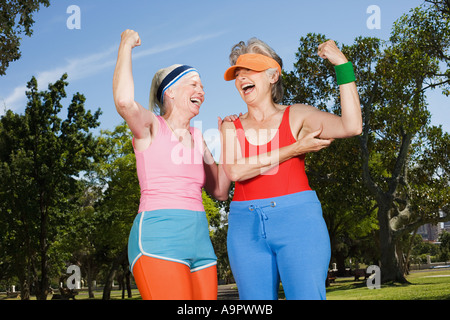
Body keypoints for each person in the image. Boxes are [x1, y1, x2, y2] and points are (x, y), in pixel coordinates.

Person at [220, 38, 362, 300]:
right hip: (244, 227)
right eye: (237, 74)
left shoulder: (297, 115)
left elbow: (351, 126)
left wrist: (342, 66)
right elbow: (236, 172)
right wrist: (295, 149)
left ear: (273, 75)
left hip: (298, 220)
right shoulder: (230, 126)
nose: (241, 79)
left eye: (249, 71)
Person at [113, 29, 232, 300]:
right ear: (170, 92)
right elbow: (123, 102)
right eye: (193, 84)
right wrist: (126, 44)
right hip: (159, 240)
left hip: (201, 245)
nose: (201, 91)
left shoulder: (198, 137)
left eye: (202, 86)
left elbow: (221, 191)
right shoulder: (152, 126)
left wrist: (229, 140)